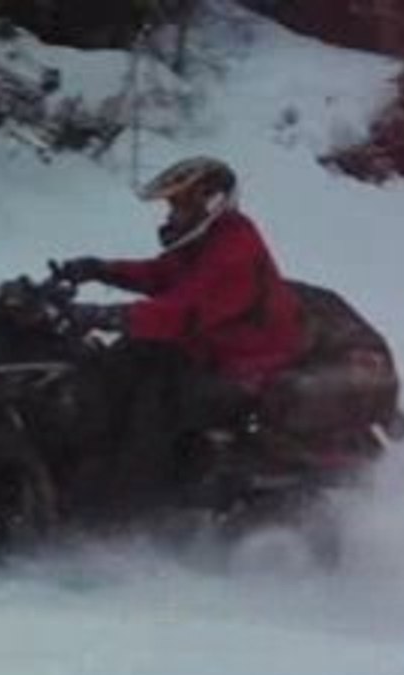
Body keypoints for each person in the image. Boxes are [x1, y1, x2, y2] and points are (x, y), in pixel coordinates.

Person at [59, 156, 305, 497]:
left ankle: (133, 501)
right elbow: (162, 275)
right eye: (173, 206)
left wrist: (107, 315)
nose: (172, 215)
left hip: (242, 362)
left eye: (180, 206)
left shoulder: (233, 255)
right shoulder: (207, 241)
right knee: (111, 367)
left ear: (211, 204)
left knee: (153, 405)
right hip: (206, 345)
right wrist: (100, 269)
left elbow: (180, 313)